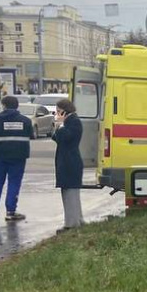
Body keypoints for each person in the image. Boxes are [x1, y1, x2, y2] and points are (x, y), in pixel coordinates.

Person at [0, 95, 34, 222]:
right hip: (18, 157)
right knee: (14, 183)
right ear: (17, 106)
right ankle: (11, 211)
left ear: (3, 105)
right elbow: (31, 135)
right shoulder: (25, 121)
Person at [51, 98, 85, 231]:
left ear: (65, 111)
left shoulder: (74, 122)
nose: (57, 114)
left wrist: (60, 125)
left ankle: (71, 224)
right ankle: (77, 220)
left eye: (58, 111)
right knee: (68, 191)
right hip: (66, 161)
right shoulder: (69, 121)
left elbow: (66, 138)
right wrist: (58, 126)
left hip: (70, 162)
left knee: (70, 192)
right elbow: (56, 138)